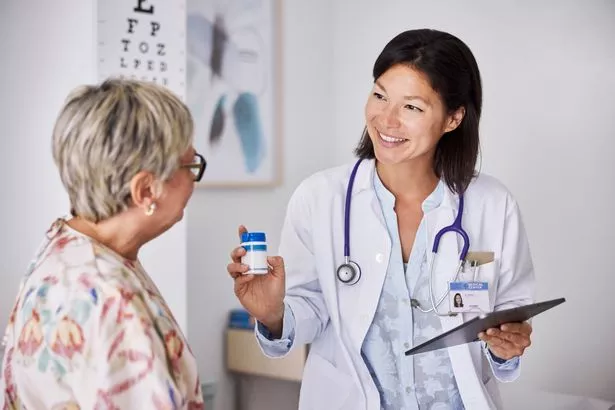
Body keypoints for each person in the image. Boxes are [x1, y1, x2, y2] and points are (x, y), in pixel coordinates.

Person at [227, 29, 535, 410]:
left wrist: (507, 348)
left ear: (453, 118)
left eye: (412, 107)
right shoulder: (320, 198)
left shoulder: (492, 204)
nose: (386, 119)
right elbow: (309, 310)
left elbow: (510, 317)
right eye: (379, 95)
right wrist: (273, 315)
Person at [1, 79, 207, 409]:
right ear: (146, 191)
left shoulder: (64, 249)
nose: (194, 181)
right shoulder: (109, 298)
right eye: (190, 165)